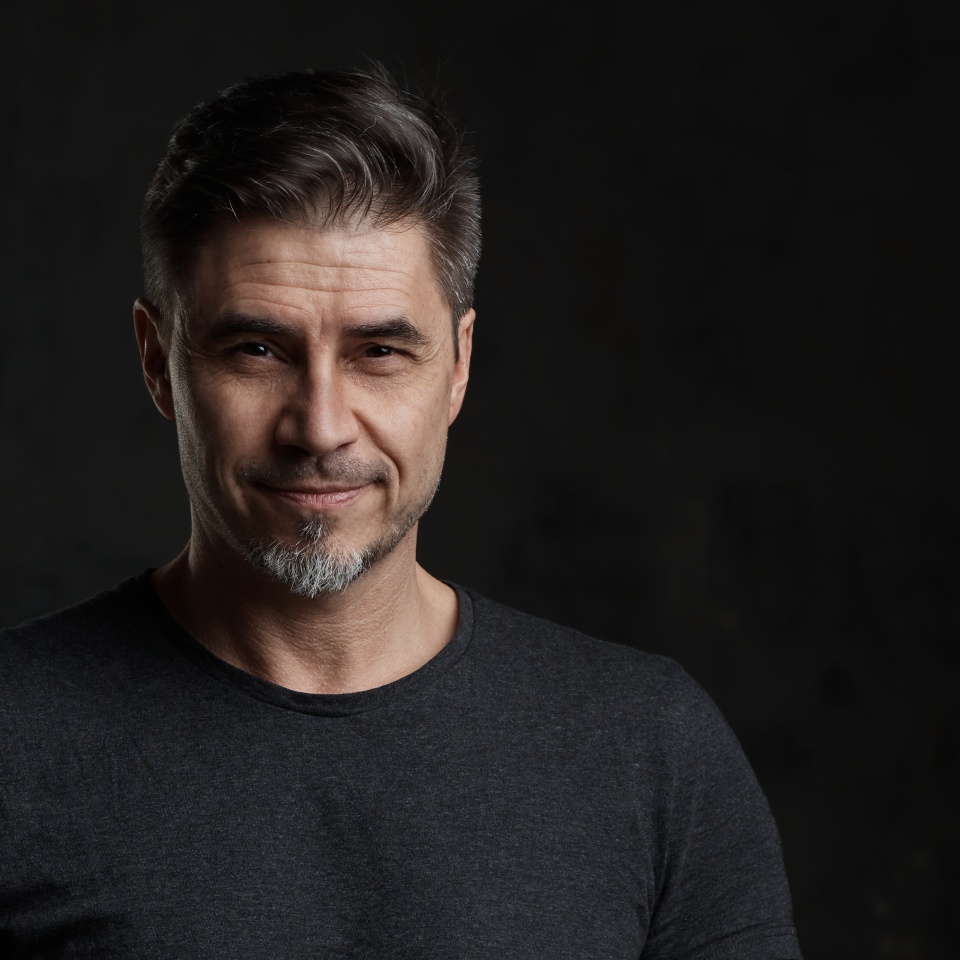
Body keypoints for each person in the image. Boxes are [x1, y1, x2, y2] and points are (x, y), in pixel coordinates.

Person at [0, 66, 803, 958]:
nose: (321, 426)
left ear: (457, 365)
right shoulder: (17, 739)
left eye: (380, 350)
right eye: (257, 349)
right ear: (159, 362)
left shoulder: (649, 749)